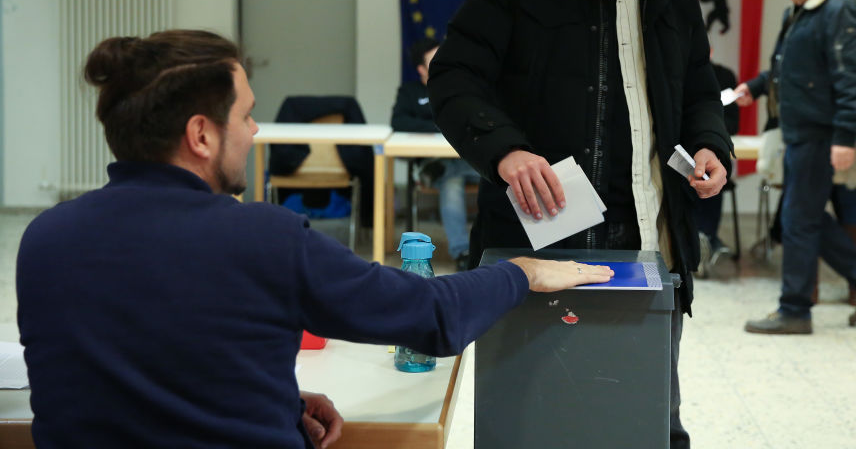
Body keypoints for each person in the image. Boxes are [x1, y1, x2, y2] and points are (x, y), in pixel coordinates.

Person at [16, 30, 613, 449]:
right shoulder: (263, 238)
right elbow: (432, 317)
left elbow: (140, 361)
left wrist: (274, 397)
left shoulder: (44, 240)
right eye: (246, 116)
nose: (255, 132)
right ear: (201, 134)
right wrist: (525, 272)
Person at [428, 0, 732, 449]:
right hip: (541, 240)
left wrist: (709, 145)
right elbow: (455, 77)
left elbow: (699, 90)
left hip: (651, 243)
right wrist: (506, 149)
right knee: (536, 418)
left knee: (646, 420)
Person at [735, 0, 856, 335]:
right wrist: (757, 87)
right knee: (802, 217)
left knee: (797, 220)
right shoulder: (806, 9)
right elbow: (790, 65)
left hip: (820, 133)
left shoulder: (841, 11)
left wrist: (844, 138)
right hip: (802, 131)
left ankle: (795, 310)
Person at [391, 37, 480, 270]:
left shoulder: (461, 86)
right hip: (436, 161)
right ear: (421, 69)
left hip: (472, 161)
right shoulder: (410, 92)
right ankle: (462, 253)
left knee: (500, 177)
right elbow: (399, 121)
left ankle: (509, 247)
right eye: (435, 60)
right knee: (451, 182)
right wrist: (440, 125)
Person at [694, 49, 739, 276]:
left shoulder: (724, 76)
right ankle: (696, 237)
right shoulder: (680, 70)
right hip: (685, 149)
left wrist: (712, 136)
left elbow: (733, 120)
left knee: (714, 174)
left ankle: (706, 237)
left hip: (712, 142)